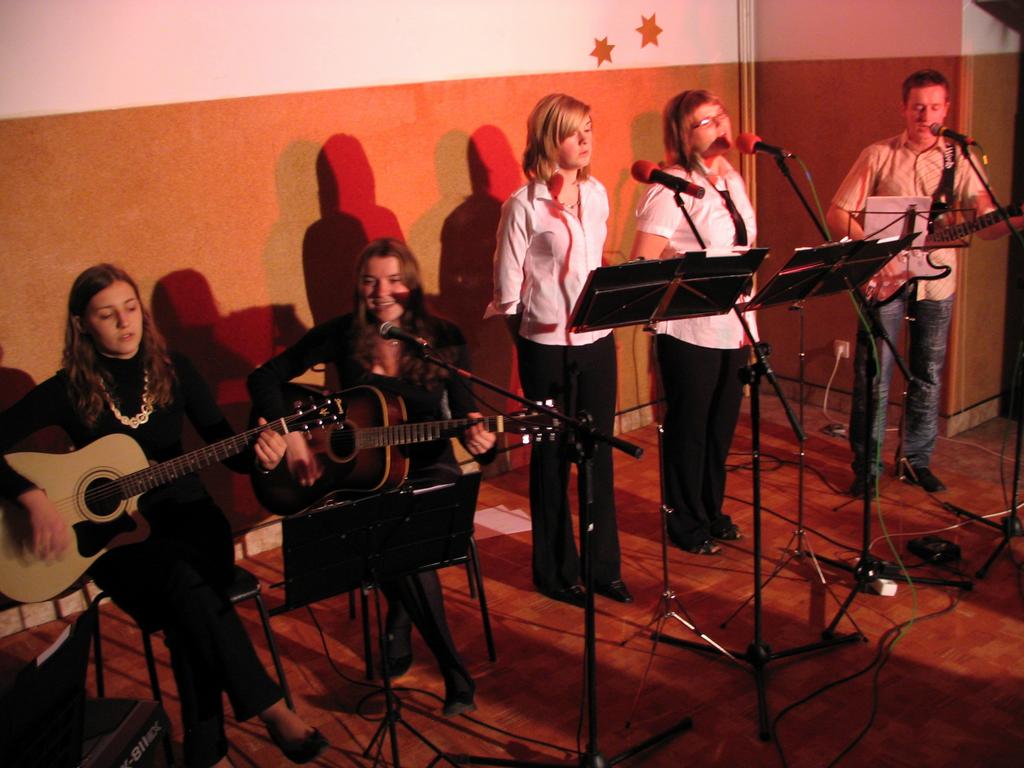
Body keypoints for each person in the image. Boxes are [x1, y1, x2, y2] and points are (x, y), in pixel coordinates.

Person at [0, 264, 327, 768]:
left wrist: (263, 453)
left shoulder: (175, 370)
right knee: (185, 588)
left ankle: (208, 750)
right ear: (82, 324)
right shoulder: (66, 390)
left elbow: (227, 448)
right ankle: (268, 708)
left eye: (131, 308)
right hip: (115, 541)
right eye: (107, 314)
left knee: (185, 601)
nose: (124, 322)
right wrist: (31, 496)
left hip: (191, 516)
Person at [248, 237, 494, 717]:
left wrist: (480, 440)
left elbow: (467, 418)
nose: (381, 292)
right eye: (370, 281)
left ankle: (434, 654)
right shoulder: (342, 334)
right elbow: (264, 377)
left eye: (394, 280)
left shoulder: (443, 337)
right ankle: (429, 647)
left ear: (412, 285)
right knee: (384, 528)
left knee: (398, 534)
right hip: (361, 470)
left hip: (429, 467)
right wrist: (291, 435)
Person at [826, 69, 1023, 496]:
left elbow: (987, 223)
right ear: (903, 108)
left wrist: (1014, 220)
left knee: (928, 373)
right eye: (918, 107)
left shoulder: (960, 158)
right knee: (874, 372)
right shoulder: (878, 154)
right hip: (885, 278)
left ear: (946, 110)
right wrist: (875, 256)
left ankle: (916, 460)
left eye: (934, 107)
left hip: (938, 280)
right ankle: (867, 465)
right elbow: (838, 214)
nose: (925, 115)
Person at [486, 92, 631, 606]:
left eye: (589, 128)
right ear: (550, 139)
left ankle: (603, 568)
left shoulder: (597, 195)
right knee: (550, 460)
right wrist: (533, 347)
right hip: (545, 348)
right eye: (574, 131)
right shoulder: (522, 206)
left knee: (598, 456)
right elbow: (507, 293)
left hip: (597, 342)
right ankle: (555, 572)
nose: (586, 139)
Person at [630, 90, 755, 555]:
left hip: (735, 323)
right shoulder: (670, 189)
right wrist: (683, 267)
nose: (720, 125)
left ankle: (711, 510)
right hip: (689, 328)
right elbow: (642, 260)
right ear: (683, 135)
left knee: (721, 427)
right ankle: (685, 522)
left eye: (721, 115)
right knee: (690, 428)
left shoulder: (732, 179)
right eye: (706, 121)